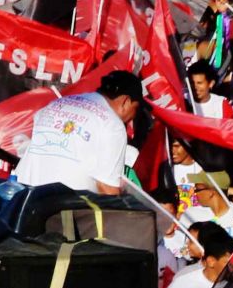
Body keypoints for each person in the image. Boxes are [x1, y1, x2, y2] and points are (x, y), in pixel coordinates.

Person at [12, 71, 143, 195]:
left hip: (20, 195)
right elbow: (106, 188)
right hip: (58, 205)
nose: (132, 118)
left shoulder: (55, 104)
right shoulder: (114, 126)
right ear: (126, 101)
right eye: (135, 109)